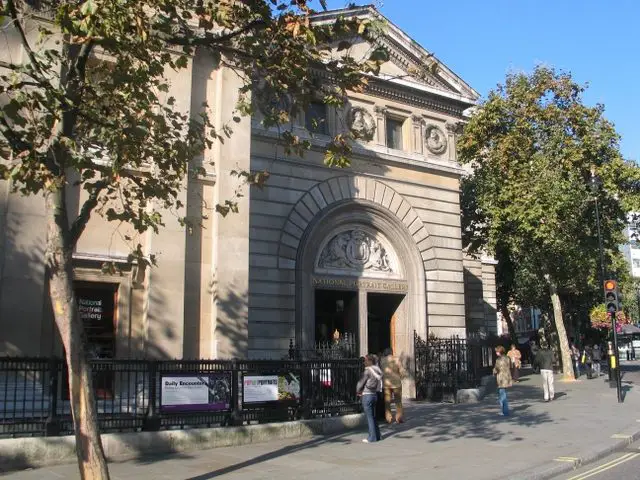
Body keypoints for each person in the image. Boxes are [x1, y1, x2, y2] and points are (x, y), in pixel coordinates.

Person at [356, 354, 382, 443]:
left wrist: (358, 391)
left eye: (366, 360)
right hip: (374, 394)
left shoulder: (367, 371)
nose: (364, 362)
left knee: (369, 417)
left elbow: (360, 383)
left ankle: (372, 438)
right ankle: (377, 435)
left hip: (367, 394)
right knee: (374, 416)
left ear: (370, 361)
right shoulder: (377, 370)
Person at [381, 348, 406, 424]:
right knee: (398, 401)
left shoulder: (382, 360)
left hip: (386, 384)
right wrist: (401, 377)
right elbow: (401, 371)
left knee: (387, 402)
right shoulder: (397, 359)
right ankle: (399, 418)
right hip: (396, 383)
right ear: (392, 352)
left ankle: (388, 418)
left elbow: (381, 371)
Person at [493, 346, 512, 416]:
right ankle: (503, 410)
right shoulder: (507, 358)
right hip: (507, 377)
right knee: (502, 394)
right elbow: (510, 366)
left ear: (499, 352)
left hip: (501, 378)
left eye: (497, 351)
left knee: (502, 395)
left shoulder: (499, 359)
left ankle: (505, 411)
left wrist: (494, 371)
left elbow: (496, 368)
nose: (496, 353)